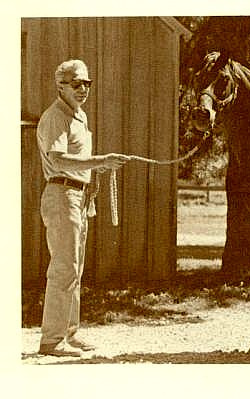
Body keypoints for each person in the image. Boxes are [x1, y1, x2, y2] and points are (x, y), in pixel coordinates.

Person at [36, 59, 130, 357]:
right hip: (62, 195)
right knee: (64, 268)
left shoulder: (79, 116)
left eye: (87, 84)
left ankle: (68, 334)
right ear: (60, 86)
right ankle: (51, 340)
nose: (83, 90)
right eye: (77, 84)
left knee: (75, 269)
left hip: (78, 196)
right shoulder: (55, 117)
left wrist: (93, 178)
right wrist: (102, 161)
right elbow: (59, 159)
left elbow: (77, 161)